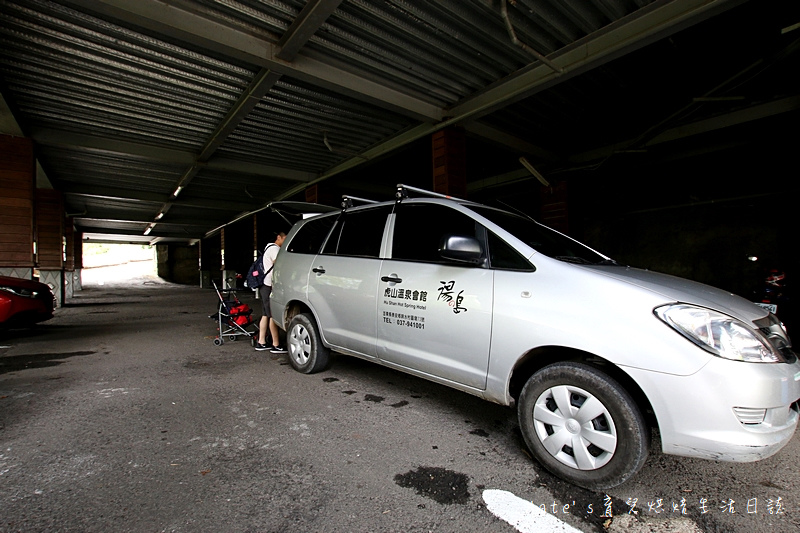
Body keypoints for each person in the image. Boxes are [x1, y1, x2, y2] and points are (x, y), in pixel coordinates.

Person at [255, 231, 286, 353]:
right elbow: (278, 265)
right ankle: (276, 344)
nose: (285, 241)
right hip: (269, 286)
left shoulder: (268, 247)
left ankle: (261, 341)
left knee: (265, 314)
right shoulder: (275, 249)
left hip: (264, 286)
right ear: (279, 237)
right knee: (273, 315)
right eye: (285, 238)